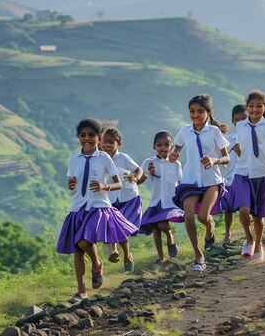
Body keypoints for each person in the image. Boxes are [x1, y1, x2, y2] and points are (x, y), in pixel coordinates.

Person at [57, 118, 138, 303]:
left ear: (99, 138)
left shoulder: (104, 158)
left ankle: (97, 264)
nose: (87, 139)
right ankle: (81, 291)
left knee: (84, 242)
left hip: (98, 206)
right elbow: (73, 181)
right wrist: (71, 184)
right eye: (83, 135)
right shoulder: (74, 159)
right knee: (77, 250)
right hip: (78, 207)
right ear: (78, 137)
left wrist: (104, 186)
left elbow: (118, 183)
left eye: (91, 135)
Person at [170, 94, 230, 271]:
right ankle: (198, 255)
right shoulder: (184, 131)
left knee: (203, 217)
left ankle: (210, 226)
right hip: (190, 181)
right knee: (189, 216)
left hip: (212, 180)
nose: (195, 115)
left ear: (209, 113)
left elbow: (226, 157)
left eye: (200, 111)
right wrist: (174, 155)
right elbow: (177, 149)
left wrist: (214, 160)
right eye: (192, 111)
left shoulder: (214, 132)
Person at [229, 90, 265, 260]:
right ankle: (248, 240)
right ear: (247, 107)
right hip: (242, 174)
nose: (255, 109)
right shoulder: (241, 126)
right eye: (251, 106)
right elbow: (239, 145)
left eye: (259, 106)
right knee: (243, 209)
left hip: (261, 174)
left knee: (258, 216)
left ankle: (259, 243)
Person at [137, 131, 185, 267]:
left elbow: (180, 182)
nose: (163, 148)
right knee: (155, 228)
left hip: (170, 201)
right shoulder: (149, 162)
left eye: (166, 145)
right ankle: (161, 257)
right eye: (159, 145)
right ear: (154, 147)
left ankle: (171, 238)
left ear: (172, 146)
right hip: (156, 201)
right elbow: (139, 180)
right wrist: (147, 172)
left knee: (162, 224)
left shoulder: (175, 164)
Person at [100, 127, 143, 272]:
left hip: (129, 198)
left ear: (119, 143)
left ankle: (126, 256)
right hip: (110, 200)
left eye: (110, 142)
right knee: (113, 227)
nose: (107, 145)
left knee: (122, 229)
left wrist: (135, 177)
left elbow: (139, 169)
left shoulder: (123, 158)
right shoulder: (99, 159)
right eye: (104, 142)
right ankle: (115, 251)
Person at [220, 104, 247, 246]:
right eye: (237, 120)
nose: (241, 122)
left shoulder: (250, 138)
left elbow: (252, 160)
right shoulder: (228, 139)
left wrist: (239, 152)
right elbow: (220, 154)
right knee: (228, 209)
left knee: (245, 207)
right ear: (233, 121)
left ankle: (248, 233)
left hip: (245, 178)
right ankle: (227, 234)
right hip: (230, 177)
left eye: (244, 119)